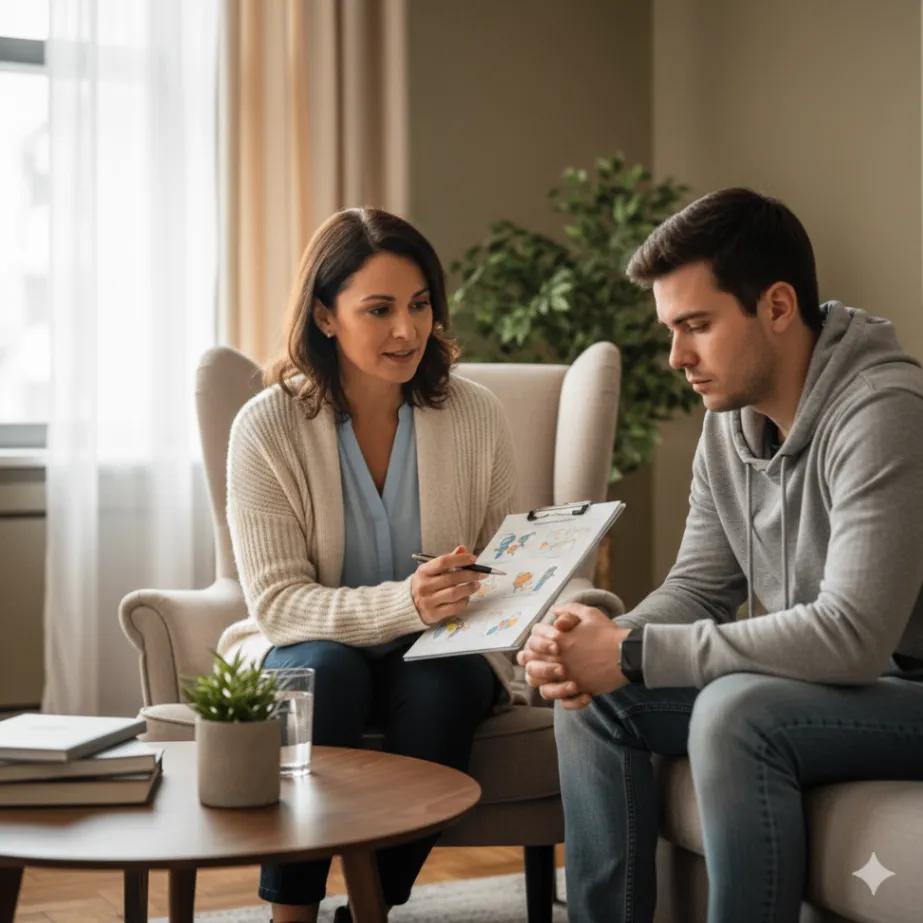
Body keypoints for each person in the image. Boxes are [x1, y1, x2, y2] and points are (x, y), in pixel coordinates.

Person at [518, 188, 923, 923]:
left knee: (734, 712)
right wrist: (592, 644)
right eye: (671, 330)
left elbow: (854, 636)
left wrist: (631, 651)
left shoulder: (883, 412)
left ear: (777, 306)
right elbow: (699, 587)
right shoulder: (729, 423)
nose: (677, 357)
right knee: (592, 696)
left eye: (696, 326)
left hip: (906, 690)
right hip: (835, 686)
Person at [216, 207, 520, 923]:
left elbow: (505, 569)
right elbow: (278, 606)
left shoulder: (476, 415)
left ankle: (371, 906)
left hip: (441, 647)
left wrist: (504, 587)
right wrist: (405, 604)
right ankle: (291, 912)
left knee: (444, 681)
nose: (407, 331)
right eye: (379, 309)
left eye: (419, 304)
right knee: (323, 672)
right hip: (312, 649)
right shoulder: (266, 426)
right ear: (324, 315)